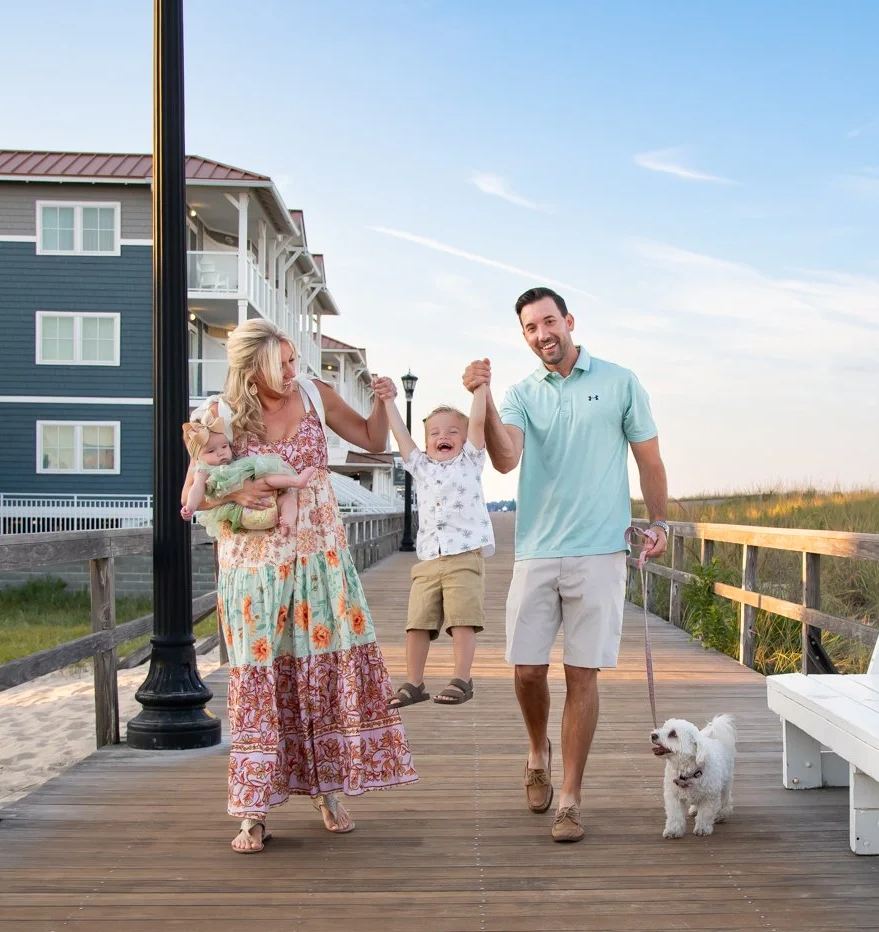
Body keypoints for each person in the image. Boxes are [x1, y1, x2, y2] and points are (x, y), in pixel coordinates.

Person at [189, 318, 417, 854]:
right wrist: (234, 494)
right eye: (281, 364)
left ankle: (327, 791)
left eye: (294, 360)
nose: (293, 372)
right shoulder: (216, 417)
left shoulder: (315, 393)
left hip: (321, 560)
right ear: (251, 369)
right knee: (260, 682)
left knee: (322, 674)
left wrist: (386, 402)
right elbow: (193, 497)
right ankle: (253, 808)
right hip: (255, 570)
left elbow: (370, 440)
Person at [463, 287, 669, 844]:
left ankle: (572, 798)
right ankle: (537, 750)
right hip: (537, 549)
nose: (541, 334)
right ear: (525, 337)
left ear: (569, 321)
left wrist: (659, 522)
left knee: (583, 674)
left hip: (601, 549)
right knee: (527, 669)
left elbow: (649, 459)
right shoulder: (521, 394)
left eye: (548, 321)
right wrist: (481, 397)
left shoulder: (620, 381)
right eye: (530, 328)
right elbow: (506, 459)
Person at [380, 384, 494, 708]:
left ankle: (462, 677)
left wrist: (480, 389)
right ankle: (414, 682)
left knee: (462, 619)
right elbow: (402, 436)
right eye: (434, 433)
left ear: (465, 438)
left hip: (464, 554)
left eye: (453, 431)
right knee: (417, 621)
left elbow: (478, 423)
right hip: (429, 557)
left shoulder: (469, 461)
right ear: (426, 442)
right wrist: (389, 401)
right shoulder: (421, 467)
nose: (443, 436)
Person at [180, 412, 317, 538]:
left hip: (270, 509)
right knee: (267, 479)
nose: (220, 453)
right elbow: (196, 489)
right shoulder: (204, 471)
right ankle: (295, 481)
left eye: (224, 446)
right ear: (197, 458)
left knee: (288, 498)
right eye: (211, 451)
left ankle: (287, 522)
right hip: (242, 512)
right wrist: (190, 507)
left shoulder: (234, 463)